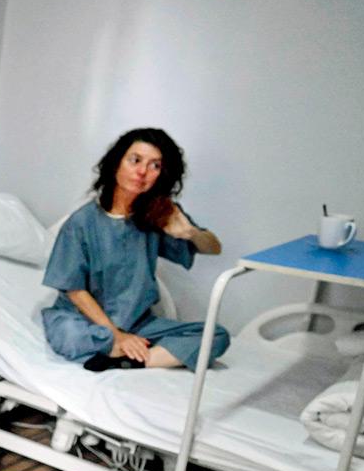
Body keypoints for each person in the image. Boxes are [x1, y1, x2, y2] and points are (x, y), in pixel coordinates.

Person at [41, 128, 230, 371]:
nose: (142, 172)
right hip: (85, 320)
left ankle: (128, 361)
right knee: (68, 333)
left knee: (216, 335)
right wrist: (117, 335)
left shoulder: (158, 215)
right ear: (117, 163)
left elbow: (213, 248)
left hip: (138, 323)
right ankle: (128, 350)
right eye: (135, 160)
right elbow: (74, 290)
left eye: (155, 166)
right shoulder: (82, 222)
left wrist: (190, 233)